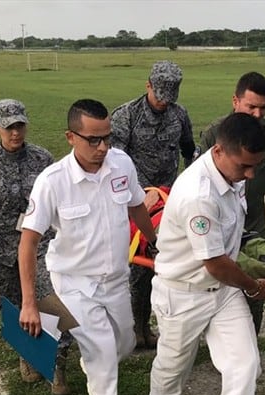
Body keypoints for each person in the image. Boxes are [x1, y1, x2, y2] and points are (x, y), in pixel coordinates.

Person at [17, 99, 158, 395]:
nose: (102, 148)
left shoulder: (121, 164)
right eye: (93, 140)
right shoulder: (52, 182)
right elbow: (28, 243)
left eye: (107, 138)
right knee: (102, 353)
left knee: (125, 343)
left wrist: (155, 243)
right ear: (70, 137)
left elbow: (136, 204)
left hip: (115, 280)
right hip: (74, 284)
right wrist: (31, 303)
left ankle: (94, 365)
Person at [148, 113, 265, 395]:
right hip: (182, 292)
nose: (250, 176)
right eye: (245, 166)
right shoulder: (198, 195)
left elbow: (232, 246)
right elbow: (217, 262)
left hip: (221, 294)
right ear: (219, 150)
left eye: (256, 166)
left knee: (245, 364)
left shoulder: (231, 174)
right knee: (174, 364)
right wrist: (253, 286)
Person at [0, 98, 76, 395]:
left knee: (53, 303)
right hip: (0, 249)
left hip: (40, 247)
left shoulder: (42, 160)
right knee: (11, 307)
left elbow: (63, 202)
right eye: (8, 128)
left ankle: (57, 364)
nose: (15, 133)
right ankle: (28, 353)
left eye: (20, 126)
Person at [197, 72, 265, 333]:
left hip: (254, 218)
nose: (258, 114)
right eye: (251, 107)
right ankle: (214, 335)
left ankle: (250, 338)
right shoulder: (216, 133)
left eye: (263, 107)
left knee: (257, 281)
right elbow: (200, 176)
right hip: (220, 219)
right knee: (222, 278)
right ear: (235, 101)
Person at [111, 60, 195, 350]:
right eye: (159, 96)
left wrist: (191, 184)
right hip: (136, 203)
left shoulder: (179, 114)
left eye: (169, 98)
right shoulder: (127, 116)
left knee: (165, 262)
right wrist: (135, 194)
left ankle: (154, 325)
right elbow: (113, 163)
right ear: (148, 85)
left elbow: (189, 150)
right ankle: (137, 327)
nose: (163, 103)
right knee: (137, 268)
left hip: (169, 202)